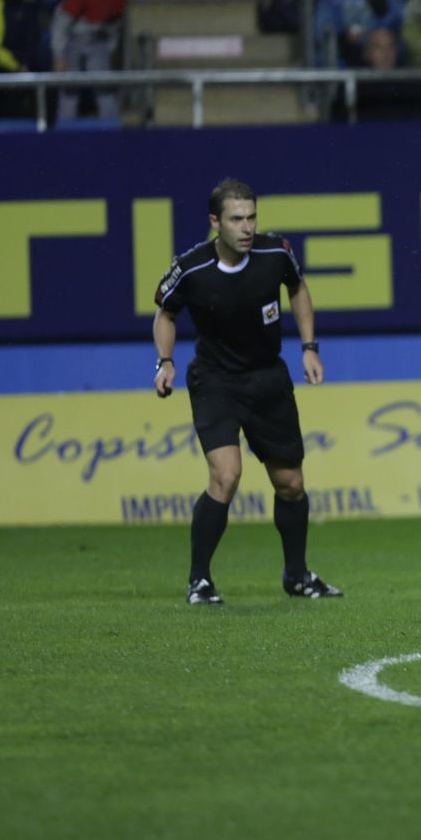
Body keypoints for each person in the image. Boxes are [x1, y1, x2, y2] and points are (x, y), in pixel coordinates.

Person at [152, 178, 342, 606]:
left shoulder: (276, 253)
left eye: (252, 217)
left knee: (291, 484)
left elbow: (298, 289)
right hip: (215, 380)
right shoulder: (192, 268)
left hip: (267, 379)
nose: (247, 227)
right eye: (237, 219)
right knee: (226, 475)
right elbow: (165, 315)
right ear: (215, 222)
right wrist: (164, 362)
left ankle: (297, 576)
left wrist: (309, 347)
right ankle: (199, 580)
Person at [51, 0, 126, 121]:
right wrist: (58, 57)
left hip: (97, 44)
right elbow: (61, 25)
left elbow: (113, 28)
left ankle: (111, 132)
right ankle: (65, 133)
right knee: (69, 91)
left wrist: (110, 50)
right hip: (72, 41)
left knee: (105, 88)